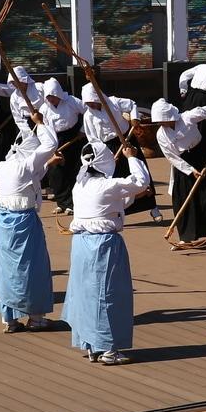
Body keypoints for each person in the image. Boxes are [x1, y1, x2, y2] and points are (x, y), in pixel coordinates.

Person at [62, 139, 150, 365]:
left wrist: (129, 195)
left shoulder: (79, 185)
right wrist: (132, 157)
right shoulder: (107, 185)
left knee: (86, 295)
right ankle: (109, 349)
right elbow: (141, 181)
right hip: (102, 245)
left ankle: (92, 345)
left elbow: (108, 206)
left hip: (81, 244)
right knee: (107, 294)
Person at [0, 115, 60, 332]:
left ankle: (10, 319)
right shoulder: (24, 166)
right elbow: (51, 144)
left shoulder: (2, 166)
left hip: (3, 222)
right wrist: (40, 123)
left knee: (7, 270)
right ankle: (36, 318)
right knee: (32, 269)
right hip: (23, 221)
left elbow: (31, 178)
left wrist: (48, 164)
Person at [151, 99, 206, 245]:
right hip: (183, 164)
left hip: (203, 156)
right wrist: (189, 170)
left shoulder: (188, 116)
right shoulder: (161, 134)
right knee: (183, 200)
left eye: (163, 120)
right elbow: (171, 156)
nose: (161, 124)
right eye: (159, 122)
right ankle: (186, 237)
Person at [80, 83, 162, 223]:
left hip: (126, 139)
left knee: (140, 170)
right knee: (116, 179)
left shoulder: (113, 102)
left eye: (92, 102)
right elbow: (93, 139)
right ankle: (120, 211)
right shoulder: (88, 116)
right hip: (108, 147)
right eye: (88, 103)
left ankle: (153, 207)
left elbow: (132, 105)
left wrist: (135, 118)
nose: (91, 105)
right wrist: (104, 156)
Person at [38, 78, 86, 216]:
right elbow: (45, 127)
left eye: (53, 96)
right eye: (48, 97)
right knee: (56, 173)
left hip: (74, 138)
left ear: (58, 93)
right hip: (56, 139)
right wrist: (50, 145)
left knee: (73, 170)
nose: (51, 99)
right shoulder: (44, 108)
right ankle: (62, 202)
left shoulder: (72, 101)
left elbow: (88, 111)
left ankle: (73, 203)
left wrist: (83, 129)